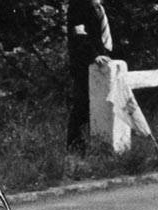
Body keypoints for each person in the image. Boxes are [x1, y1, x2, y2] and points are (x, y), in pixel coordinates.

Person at [66, 0, 113, 153]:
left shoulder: (98, 7)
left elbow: (102, 35)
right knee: (82, 106)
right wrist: (94, 55)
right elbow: (79, 35)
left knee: (103, 105)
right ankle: (75, 148)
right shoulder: (78, 6)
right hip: (84, 64)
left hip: (102, 64)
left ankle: (101, 146)